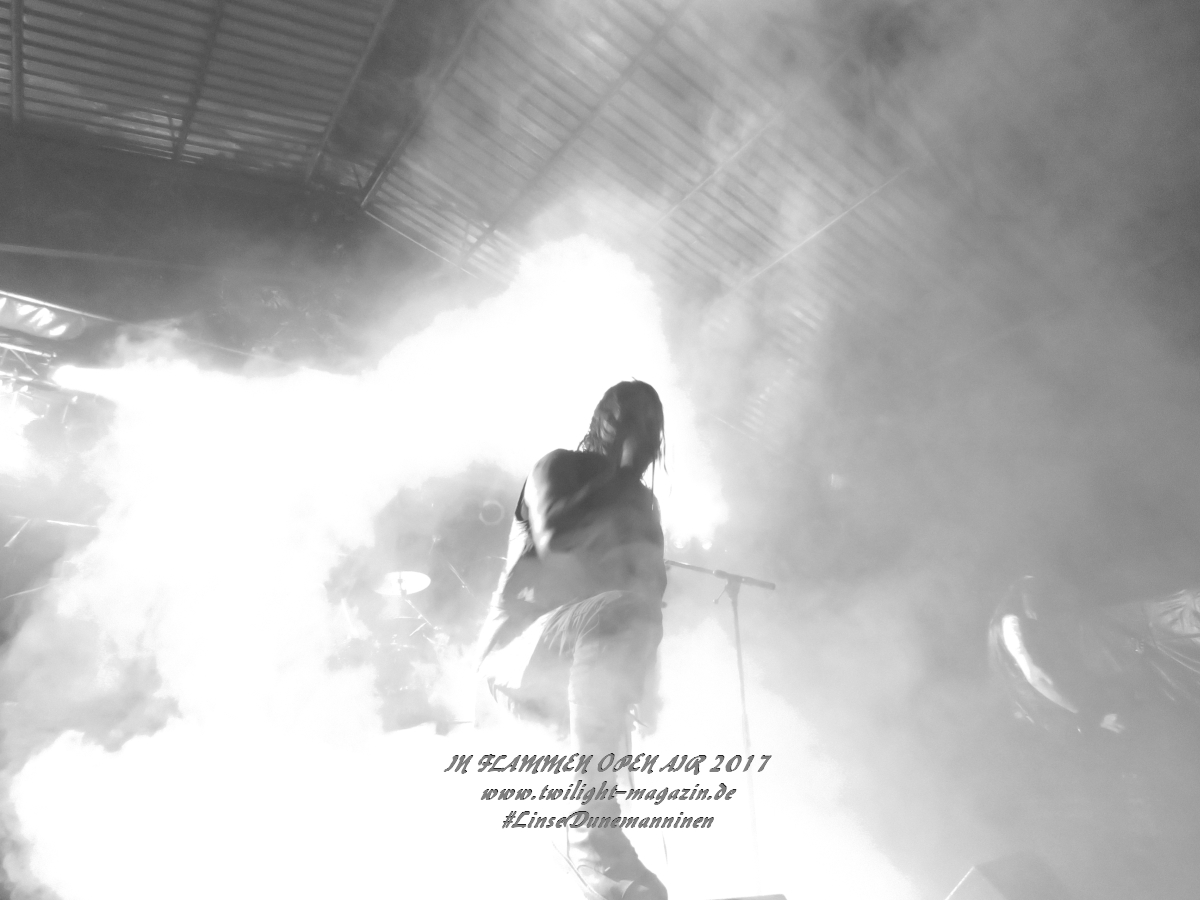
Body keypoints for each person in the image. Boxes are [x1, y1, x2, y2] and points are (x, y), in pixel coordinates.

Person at [476, 380, 669, 900]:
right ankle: (590, 840)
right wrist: (618, 478)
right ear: (608, 424)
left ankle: (597, 866)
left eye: (655, 431)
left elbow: (649, 593)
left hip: (581, 661)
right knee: (618, 611)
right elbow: (556, 539)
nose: (649, 441)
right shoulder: (557, 468)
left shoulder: (642, 503)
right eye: (640, 425)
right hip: (517, 653)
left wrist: (645, 689)